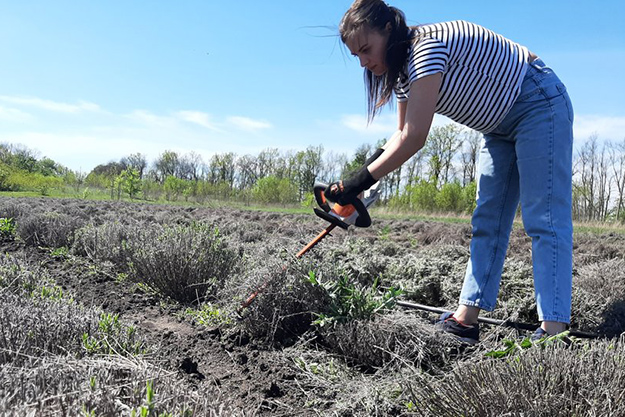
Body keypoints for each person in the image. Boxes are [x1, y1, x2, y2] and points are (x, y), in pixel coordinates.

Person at [324, 0, 574, 344]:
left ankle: (554, 329)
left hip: (538, 102)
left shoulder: (426, 49)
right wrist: (360, 183)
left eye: (366, 50)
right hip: (497, 126)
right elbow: (399, 135)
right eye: (357, 56)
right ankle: (467, 318)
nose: (364, 62)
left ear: (388, 30)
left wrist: (361, 179)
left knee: (543, 219)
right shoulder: (401, 75)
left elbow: (415, 137)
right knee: (488, 219)